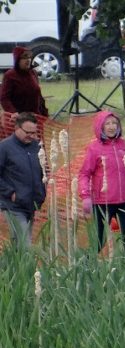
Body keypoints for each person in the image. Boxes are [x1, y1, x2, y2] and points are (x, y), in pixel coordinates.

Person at [78, 111, 125, 253]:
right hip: (103, 201)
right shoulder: (94, 148)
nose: (112, 127)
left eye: (114, 123)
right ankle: (86, 266)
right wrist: (85, 196)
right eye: (107, 123)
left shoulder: (123, 144)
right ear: (100, 127)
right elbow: (84, 174)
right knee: (99, 240)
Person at [0, 112, 45, 249]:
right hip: (13, 205)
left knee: (19, 244)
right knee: (25, 245)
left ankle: (12, 269)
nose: (32, 136)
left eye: (34, 132)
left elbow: (43, 170)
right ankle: (26, 270)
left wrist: (42, 191)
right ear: (17, 128)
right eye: (28, 132)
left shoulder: (37, 146)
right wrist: (11, 193)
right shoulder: (4, 147)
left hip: (32, 203)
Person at [1, 47, 48, 117]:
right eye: (24, 57)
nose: (28, 60)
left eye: (29, 57)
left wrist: (44, 112)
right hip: (18, 118)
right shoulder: (10, 75)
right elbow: (4, 98)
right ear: (17, 59)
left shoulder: (33, 73)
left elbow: (38, 95)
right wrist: (13, 112)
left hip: (35, 116)